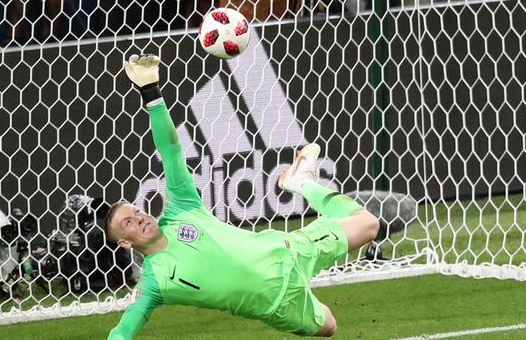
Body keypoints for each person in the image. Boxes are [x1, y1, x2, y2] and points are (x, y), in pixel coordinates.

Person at [106, 54, 380, 339]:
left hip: (287, 250)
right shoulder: (153, 282)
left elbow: (171, 150)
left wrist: (151, 94)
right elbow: (126, 325)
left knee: (368, 223)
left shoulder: (181, 209)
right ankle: (301, 185)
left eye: (136, 212)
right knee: (329, 327)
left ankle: (301, 182)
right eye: (128, 223)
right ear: (125, 242)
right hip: (276, 304)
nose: (139, 218)